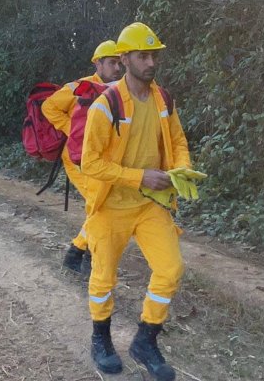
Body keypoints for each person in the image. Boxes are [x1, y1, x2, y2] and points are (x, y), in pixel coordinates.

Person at [78, 22, 190, 380]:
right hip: (111, 204)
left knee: (170, 269)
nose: (150, 62)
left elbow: (179, 141)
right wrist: (138, 175)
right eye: (143, 56)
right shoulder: (104, 105)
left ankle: (145, 339)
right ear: (124, 59)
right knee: (103, 278)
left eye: (153, 54)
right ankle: (101, 340)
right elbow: (90, 162)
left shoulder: (164, 99)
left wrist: (183, 169)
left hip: (150, 204)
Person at [40, 40, 124, 274]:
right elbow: (48, 107)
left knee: (100, 205)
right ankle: (86, 257)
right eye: (111, 63)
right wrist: (74, 131)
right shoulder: (79, 87)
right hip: (78, 158)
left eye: (119, 63)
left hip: (103, 158)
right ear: (98, 63)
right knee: (100, 205)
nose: (117, 68)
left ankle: (77, 253)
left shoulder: (120, 89)